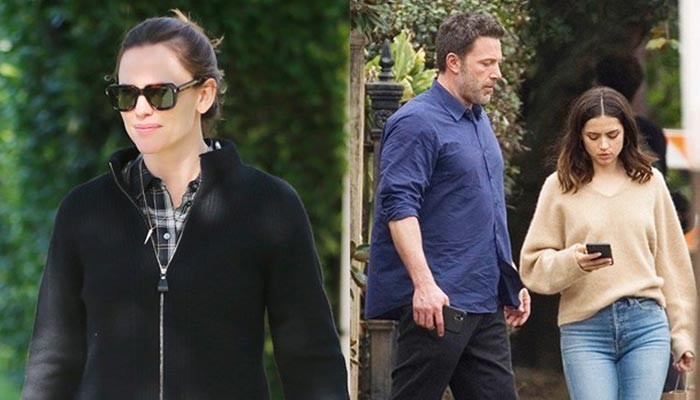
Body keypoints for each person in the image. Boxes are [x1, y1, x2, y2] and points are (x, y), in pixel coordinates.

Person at [21, 10, 349, 400]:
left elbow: (311, 361)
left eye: (160, 94)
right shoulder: (83, 212)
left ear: (204, 95)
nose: (141, 109)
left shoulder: (269, 207)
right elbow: (54, 360)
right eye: (126, 95)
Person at [365, 12, 531, 400]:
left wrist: (509, 278)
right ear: (453, 62)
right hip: (438, 305)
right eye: (486, 63)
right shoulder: (416, 122)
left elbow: (484, 209)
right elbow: (398, 207)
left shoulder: (478, 119)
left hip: (485, 303)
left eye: (498, 63)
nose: (497, 74)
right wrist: (423, 285)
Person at [520, 86, 696, 400]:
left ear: (627, 132)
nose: (603, 145)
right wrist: (573, 262)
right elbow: (532, 267)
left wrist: (683, 336)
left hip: (646, 324)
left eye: (612, 135)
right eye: (593, 136)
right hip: (584, 327)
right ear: (579, 137)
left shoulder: (650, 182)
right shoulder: (559, 186)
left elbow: (674, 264)